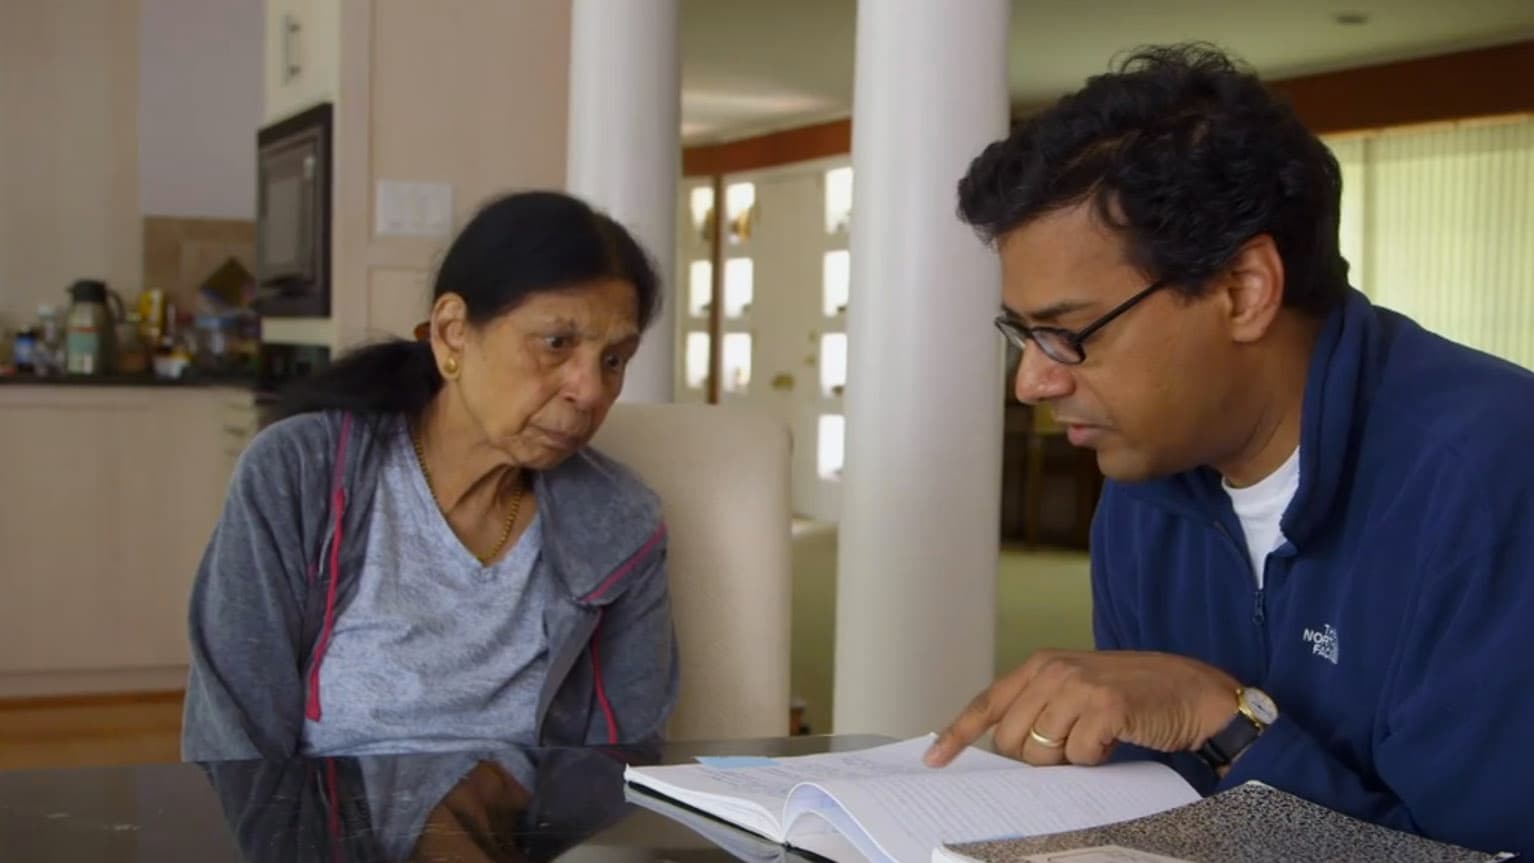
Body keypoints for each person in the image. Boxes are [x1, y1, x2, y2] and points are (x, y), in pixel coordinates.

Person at [924, 44, 1534, 855]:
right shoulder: (1144, 483)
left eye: (1067, 333)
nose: (1030, 382)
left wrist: (1226, 724)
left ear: (1244, 290)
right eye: (1022, 334)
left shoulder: (1492, 479)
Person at [182, 191, 678, 761]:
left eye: (614, 360)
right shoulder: (298, 474)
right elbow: (231, 746)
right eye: (556, 344)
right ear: (451, 333)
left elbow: (621, 760)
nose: (589, 391)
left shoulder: (621, 524)